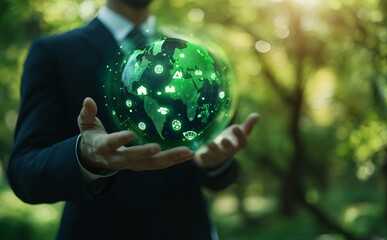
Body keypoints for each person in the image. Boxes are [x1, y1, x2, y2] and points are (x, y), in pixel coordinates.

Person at [7, 0, 260, 239]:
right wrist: (85, 157)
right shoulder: (53, 52)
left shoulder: (196, 57)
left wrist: (216, 163)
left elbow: (223, 173)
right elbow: (24, 171)